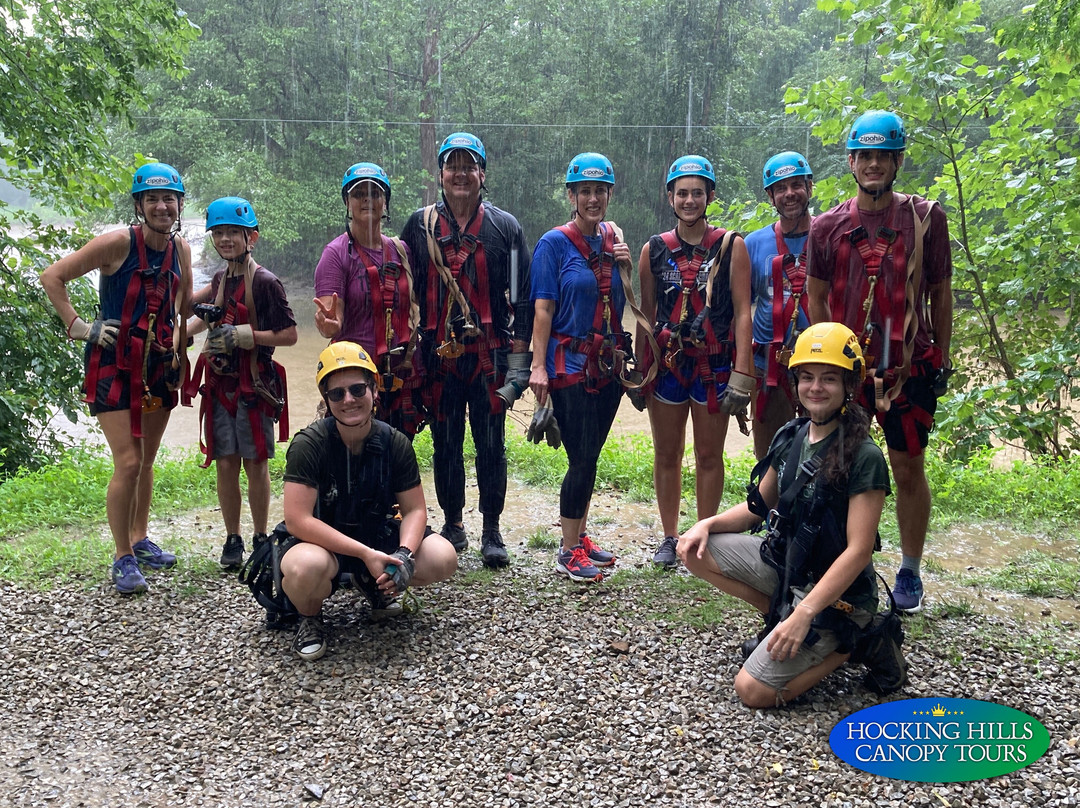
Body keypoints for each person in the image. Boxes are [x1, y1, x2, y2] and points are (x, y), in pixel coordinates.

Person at [678, 322, 889, 708]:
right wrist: (705, 524)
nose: (816, 388)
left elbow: (859, 551)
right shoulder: (791, 436)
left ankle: (852, 645)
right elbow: (756, 509)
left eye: (829, 378)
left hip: (840, 595)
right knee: (694, 550)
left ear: (848, 385)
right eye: (807, 377)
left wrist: (806, 611)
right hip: (793, 568)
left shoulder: (865, 456)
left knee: (752, 691)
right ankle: (785, 618)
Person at [807, 110, 953, 614]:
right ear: (851, 161)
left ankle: (909, 569)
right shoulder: (828, 227)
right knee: (838, 466)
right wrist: (825, 361)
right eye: (864, 156)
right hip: (850, 371)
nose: (872, 165)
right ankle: (841, 563)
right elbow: (817, 296)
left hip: (906, 365)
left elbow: (939, 290)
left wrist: (943, 357)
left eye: (882, 157)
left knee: (908, 466)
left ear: (896, 161)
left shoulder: (925, 219)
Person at [40, 161, 193, 594]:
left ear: (179, 204)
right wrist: (80, 327)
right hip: (114, 363)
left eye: (169, 199)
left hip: (159, 364)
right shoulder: (116, 244)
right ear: (140, 205)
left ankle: (140, 538)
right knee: (127, 461)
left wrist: (181, 347)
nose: (162, 206)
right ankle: (121, 555)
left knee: (145, 460)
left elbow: (182, 305)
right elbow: (53, 276)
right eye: (153, 199)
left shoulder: (179, 249)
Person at [401, 132, 532, 569]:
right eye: (452, 165)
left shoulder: (505, 228)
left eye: (468, 165)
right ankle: (454, 523)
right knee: (445, 443)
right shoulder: (418, 228)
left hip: (489, 356)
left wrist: (519, 362)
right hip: (438, 356)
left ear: (482, 174)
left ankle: (492, 528)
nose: (460, 173)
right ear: (440, 174)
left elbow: (523, 297)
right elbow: (405, 293)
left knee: (491, 444)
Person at [279, 342, 458, 661]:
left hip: (377, 533)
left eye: (358, 389)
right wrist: (365, 553)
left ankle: (371, 582)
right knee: (304, 567)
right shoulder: (309, 445)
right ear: (327, 400)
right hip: (322, 543)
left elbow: (415, 509)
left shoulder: (395, 442)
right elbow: (297, 520)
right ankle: (310, 617)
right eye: (337, 394)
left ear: (375, 391)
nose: (349, 400)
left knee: (442, 556)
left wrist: (404, 555)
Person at [638, 155, 754, 569]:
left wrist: (744, 372)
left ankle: (704, 534)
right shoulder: (653, 251)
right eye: (682, 193)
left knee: (709, 455)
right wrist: (640, 369)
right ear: (670, 197)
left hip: (714, 365)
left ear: (710, 197)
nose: (689, 200)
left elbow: (743, 311)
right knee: (666, 455)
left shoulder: (730, 246)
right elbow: (646, 316)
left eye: (697, 193)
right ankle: (670, 537)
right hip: (668, 366)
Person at [529, 152, 638, 583]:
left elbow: (623, 300)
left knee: (590, 457)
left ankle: (581, 535)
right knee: (582, 457)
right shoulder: (553, 244)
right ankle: (568, 550)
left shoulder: (613, 238)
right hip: (568, 365)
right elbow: (543, 309)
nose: (593, 198)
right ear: (571, 196)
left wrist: (625, 266)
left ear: (609, 195)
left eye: (600, 191)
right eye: (585, 191)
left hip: (606, 366)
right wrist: (538, 367)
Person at [185, 197, 297, 569]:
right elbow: (197, 312)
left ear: (252, 237)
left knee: (256, 463)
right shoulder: (220, 280)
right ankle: (233, 538)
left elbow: (290, 335)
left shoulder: (265, 282)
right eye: (219, 233)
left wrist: (248, 336)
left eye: (234, 232)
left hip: (254, 387)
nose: (226, 239)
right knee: (225, 463)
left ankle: (260, 536)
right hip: (221, 385)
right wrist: (178, 336)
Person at [314, 162, 425, 436]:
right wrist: (329, 325)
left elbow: (415, 307)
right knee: (358, 457)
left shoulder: (401, 251)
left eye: (375, 193)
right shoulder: (336, 255)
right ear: (347, 203)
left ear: (385, 202)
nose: (368, 199)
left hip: (399, 375)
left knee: (397, 454)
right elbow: (333, 315)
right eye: (358, 194)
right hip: (356, 378)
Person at [744, 151, 814, 460]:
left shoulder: (829, 235)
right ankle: (768, 510)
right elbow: (740, 310)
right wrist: (741, 372)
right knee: (770, 457)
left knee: (822, 457)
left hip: (819, 365)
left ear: (809, 187)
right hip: (768, 366)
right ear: (770, 196)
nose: (789, 194)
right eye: (780, 188)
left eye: (796, 185)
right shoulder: (754, 244)